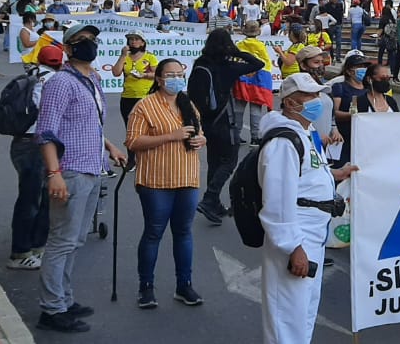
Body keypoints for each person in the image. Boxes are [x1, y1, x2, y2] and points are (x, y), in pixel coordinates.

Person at [37, 22, 128, 333]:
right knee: (62, 241)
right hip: (70, 170)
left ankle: (64, 298)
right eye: (80, 40)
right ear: (67, 48)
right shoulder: (61, 83)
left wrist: (110, 146)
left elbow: (90, 124)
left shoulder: (93, 78)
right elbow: (46, 132)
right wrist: (54, 173)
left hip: (93, 167)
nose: (89, 44)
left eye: (91, 39)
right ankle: (51, 309)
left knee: (75, 241)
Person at [257, 75, 357, 344]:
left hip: (313, 231)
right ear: (290, 103)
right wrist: (293, 247)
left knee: (304, 310)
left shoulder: (305, 134)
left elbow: (306, 177)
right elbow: (278, 201)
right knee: (286, 315)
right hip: (297, 234)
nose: (317, 102)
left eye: (317, 96)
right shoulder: (284, 141)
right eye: (310, 97)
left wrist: (335, 174)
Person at [125, 58, 207, 309]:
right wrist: (170, 136)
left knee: (183, 233)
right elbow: (133, 142)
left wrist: (200, 140)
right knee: (153, 233)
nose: (175, 78)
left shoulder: (188, 104)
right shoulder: (144, 106)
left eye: (179, 74)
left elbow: (199, 132)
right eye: (170, 75)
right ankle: (146, 287)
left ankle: (184, 285)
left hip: (187, 177)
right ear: (158, 79)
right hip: (155, 180)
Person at [189, 28, 266, 226]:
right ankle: (209, 198)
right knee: (229, 161)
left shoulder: (200, 64)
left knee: (214, 161)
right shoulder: (229, 66)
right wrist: (235, 51)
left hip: (205, 120)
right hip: (224, 120)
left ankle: (213, 203)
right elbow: (258, 63)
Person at [7, 46, 62, 271]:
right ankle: (21, 252)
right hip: (39, 145)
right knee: (35, 200)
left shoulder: (29, 76)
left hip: (21, 142)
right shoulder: (55, 82)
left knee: (33, 197)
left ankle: (35, 247)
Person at [234, 20, 274, 144]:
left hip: (242, 79)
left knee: (239, 108)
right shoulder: (260, 46)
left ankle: (236, 135)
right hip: (258, 81)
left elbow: (235, 60)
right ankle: (255, 137)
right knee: (255, 108)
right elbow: (266, 64)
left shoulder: (239, 44)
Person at [330, 54, 368, 169]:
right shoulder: (340, 87)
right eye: (359, 66)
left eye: (364, 66)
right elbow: (335, 113)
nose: (363, 69)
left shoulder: (369, 88)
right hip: (345, 137)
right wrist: (353, 116)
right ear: (349, 71)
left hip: (364, 138)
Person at [113, 32, 158, 125]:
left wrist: (144, 75)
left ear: (142, 43)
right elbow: (116, 72)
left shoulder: (150, 57)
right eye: (131, 39)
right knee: (130, 126)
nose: (133, 42)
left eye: (136, 39)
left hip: (146, 96)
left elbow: (157, 74)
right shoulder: (125, 57)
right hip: (127, 97)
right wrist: (122, 55)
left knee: (147, 126)